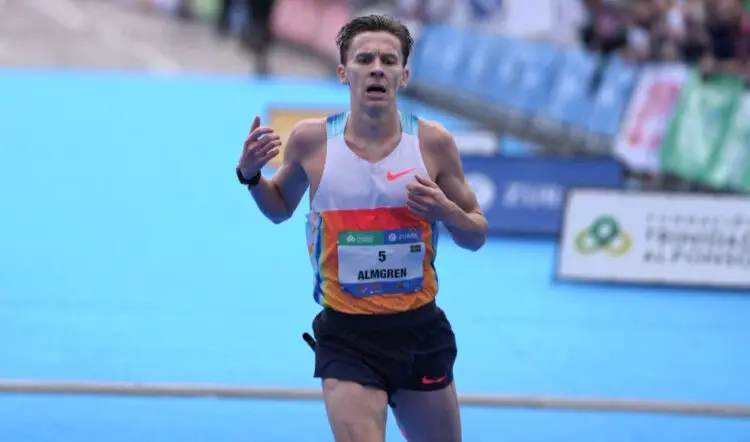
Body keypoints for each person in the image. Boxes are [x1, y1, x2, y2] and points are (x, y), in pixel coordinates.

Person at [235, 14, 487, 442]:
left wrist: (446, 210)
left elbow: (476, 234)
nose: (376, 69)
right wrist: (251, 176)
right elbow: (279, 208)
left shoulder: (433, 144)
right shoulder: (312, 141)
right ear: (343, 72)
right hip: (347, 336)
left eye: (388, 60)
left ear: (403, 76)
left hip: (419, 330)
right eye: (364, 59)